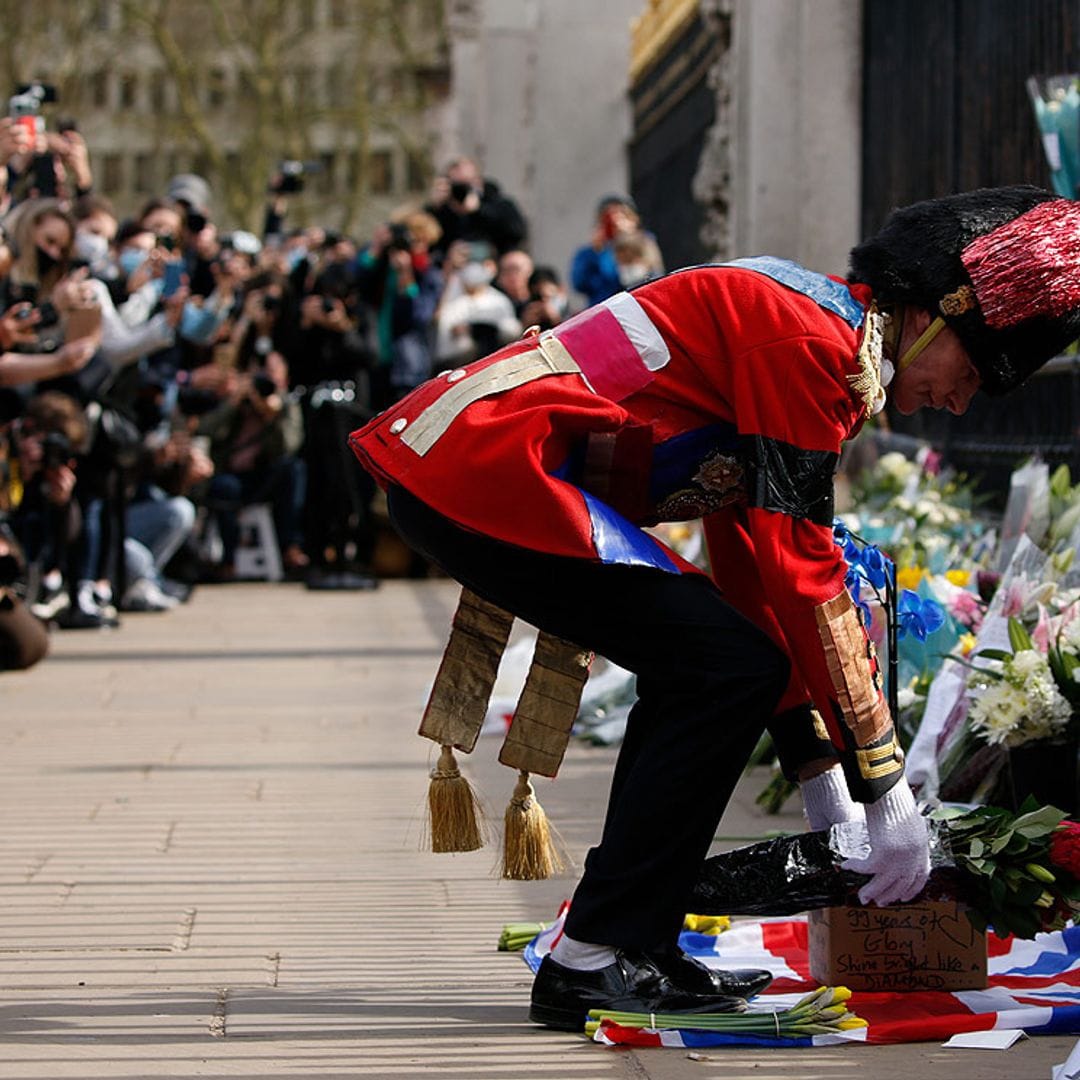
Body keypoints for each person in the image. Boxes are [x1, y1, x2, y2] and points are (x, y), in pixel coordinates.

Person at [348, 185, 1080, 1030]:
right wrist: (882, 785)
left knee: (718, 660)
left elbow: (748, 567)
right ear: (941, 314)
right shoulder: (809, 341)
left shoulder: (817, 332)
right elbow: (800, 570)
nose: (961, 400)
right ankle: (593, 953)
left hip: (481, 467)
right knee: (721, 666)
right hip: (485, 470)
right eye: (976, 373)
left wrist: (818, 776)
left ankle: (631, 940)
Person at [570, 194, 662, 308]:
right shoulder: (591, 252)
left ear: (633, 220)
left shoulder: (644, 242)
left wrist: (630, 242)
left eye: (622, 216)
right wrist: (599, 252)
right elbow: (580, 283)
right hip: (604, 310)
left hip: (638, 307)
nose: (616, 223)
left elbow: (654, 277)